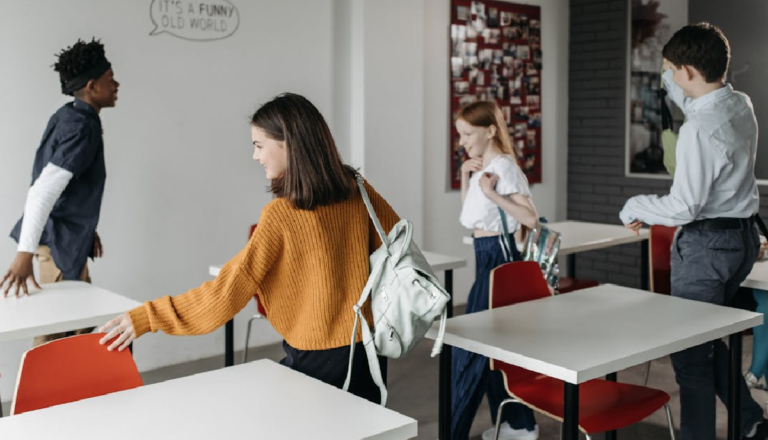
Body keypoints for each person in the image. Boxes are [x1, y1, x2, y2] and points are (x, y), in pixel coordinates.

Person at [99, 93, 400, 404]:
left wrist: (148, 317)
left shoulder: (280, 216)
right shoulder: (358, 189)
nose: (256, 156)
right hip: (369, 349)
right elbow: (398, 247)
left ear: (289, 145)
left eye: (259, 145)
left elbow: (225, 294)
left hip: (317, 356)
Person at [619, 23, 766, 440]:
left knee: (690, 357)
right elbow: (703, 106)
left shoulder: (696, 131)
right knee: (708, 338)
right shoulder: (740, 104)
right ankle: (748, 421)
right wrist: (676, 87)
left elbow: (684, 208)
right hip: (741, 240)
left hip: (706, 246)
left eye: (669, 69)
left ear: (684, 70)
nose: (666, 77)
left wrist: (635, 206)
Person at [1, 38, 119, 346]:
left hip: (67, 240)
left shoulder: (69, 115)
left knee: (79, 331)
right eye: (110, 79)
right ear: (92, 86)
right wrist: (23, 255)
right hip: (57, 247)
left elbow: (65, 188)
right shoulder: (83, 127)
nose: (117, 84)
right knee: (57, 337)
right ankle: (42, 394)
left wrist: (85, 227)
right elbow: (42, 191)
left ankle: (75, 394)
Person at [454, 101, 540, 440]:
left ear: (490, 131)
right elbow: (469, 216)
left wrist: (491, 192)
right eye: (460, 134)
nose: (462, 141)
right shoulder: (482, 166)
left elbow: (530, 218)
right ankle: (518, 424)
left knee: (472, 347)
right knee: (493, 347)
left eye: (467, 134)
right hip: (484, 252)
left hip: (497, 256)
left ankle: (455, 429)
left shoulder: (503, 167)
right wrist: (466, 177)